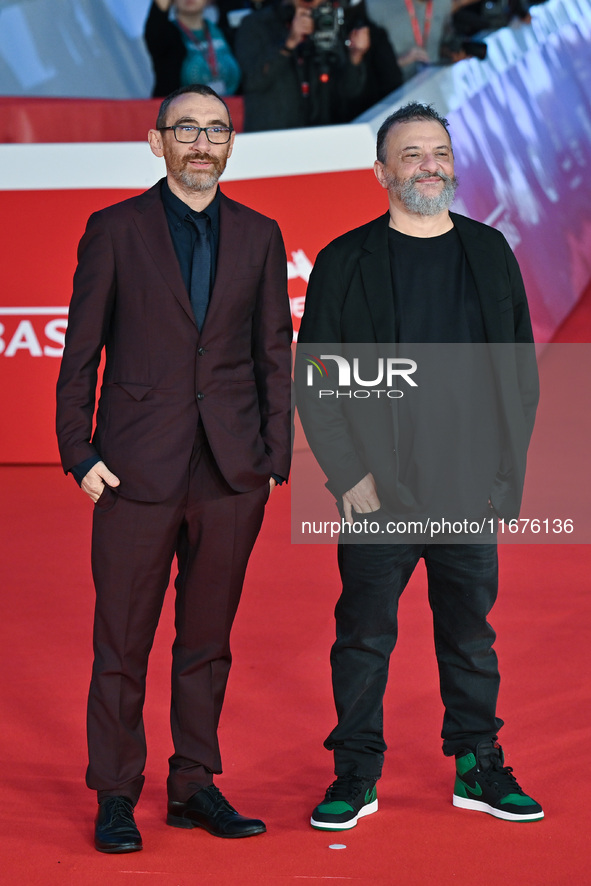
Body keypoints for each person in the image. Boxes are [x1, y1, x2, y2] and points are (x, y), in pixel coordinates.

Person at [56, 84, 292, 853]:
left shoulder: (259, 234)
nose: (201, 142)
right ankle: (116, 792)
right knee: (121, 643)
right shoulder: (114, 229)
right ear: (157, 142)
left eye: (216, 130)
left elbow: (270, 354)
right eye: (185, 129)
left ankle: (192, 782)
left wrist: (272, 457)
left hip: (230, 473)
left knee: (207, 642)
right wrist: (78, 450)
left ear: (229, 145)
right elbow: (81, 350)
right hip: (132, 469)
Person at [295, 102, 543, 830]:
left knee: (470, 636)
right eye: (410, 154)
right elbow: (320, 381)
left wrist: (504, 476)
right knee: (364, 637)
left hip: (469, 488)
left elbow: (518, 375)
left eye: (438, 151)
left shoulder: (489, 252)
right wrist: (348, 479)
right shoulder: (346, 261)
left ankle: (477, 764)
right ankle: (355, 773)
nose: (428, 165)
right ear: (381, 172)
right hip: (380, 494)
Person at [234, 0, 371, 132]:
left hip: (322, 133)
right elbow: (253, 80)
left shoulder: (328, 22)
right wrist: (290, 43)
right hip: (273, 136)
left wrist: (355, 55)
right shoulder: (255, 23)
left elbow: (349, 89)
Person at [145, 0, 241, 97]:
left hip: (233, 109)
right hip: (180, 109)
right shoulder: (163, 35)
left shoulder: (227, 33)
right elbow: (156, 22)